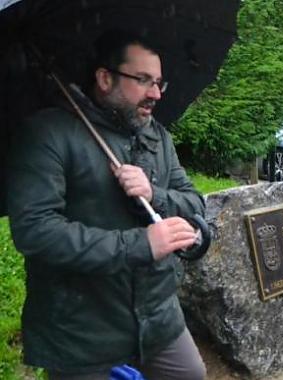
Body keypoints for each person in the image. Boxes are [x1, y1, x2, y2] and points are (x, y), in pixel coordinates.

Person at [6, 31, 206, 379]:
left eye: (159, 82)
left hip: (158, 316)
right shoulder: (48, 134)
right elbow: (35, 231)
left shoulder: (155, 135)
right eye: (143, 80)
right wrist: (140, 244)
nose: (155, 94)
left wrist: (154, 193)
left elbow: (193, 202)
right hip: (82, 328)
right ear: (104, 78)